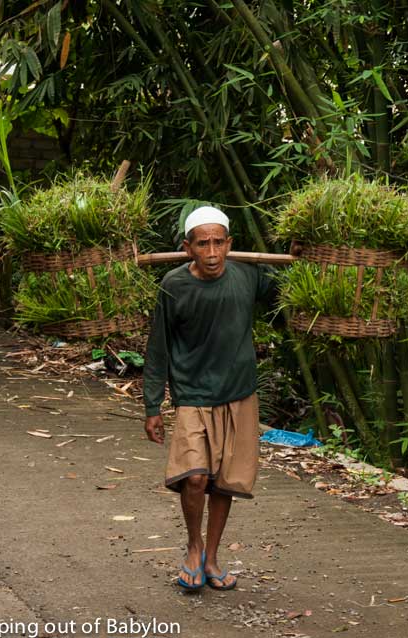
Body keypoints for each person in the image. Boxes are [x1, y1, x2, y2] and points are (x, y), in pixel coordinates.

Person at [143, 206, 275, 591]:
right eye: (203, 244)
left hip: (238, 393)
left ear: (230, 244)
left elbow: (291, 290)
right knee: (196, 477)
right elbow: (158, 348)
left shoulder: (248, 275)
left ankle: (212, 557)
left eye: (219, 242)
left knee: (224, 482)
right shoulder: (173, 285)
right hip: (192, 394)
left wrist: (305, 254)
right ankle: (193, 546)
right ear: (188, 248)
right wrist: (153, 405)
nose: (213, 252)